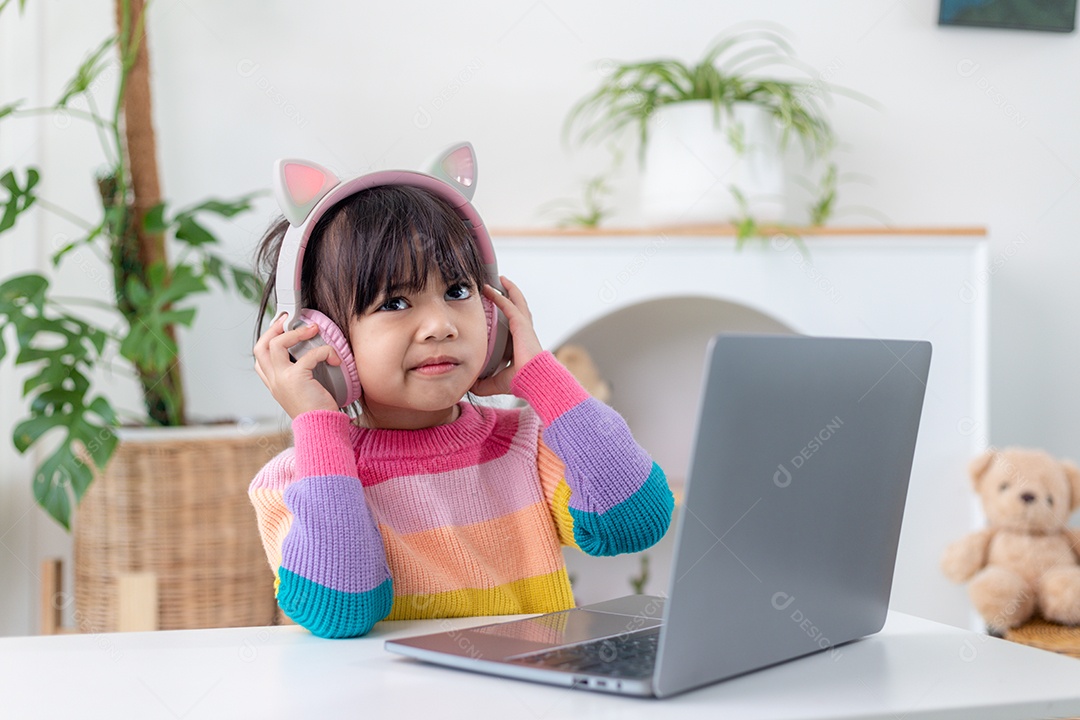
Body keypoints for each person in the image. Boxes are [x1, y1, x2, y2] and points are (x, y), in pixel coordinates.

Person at [249, 145, 674, 638]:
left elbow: (635, 521)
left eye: (457, 292)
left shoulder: (527, 445)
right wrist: (318, 427)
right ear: (319, 338)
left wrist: (542, 376)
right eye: (396, 301)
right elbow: (339, 610)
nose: (440, 325)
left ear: (494, 314)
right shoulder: (298, 480)